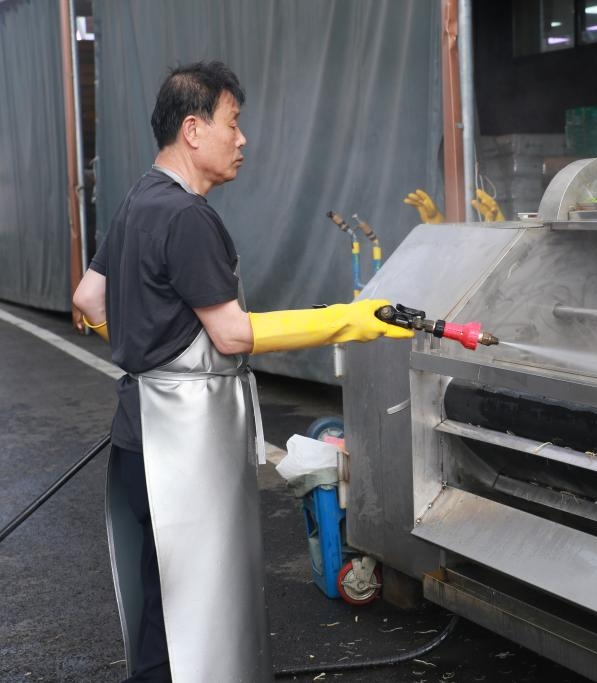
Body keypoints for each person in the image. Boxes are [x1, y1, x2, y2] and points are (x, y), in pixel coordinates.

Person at [72, 61, 411, 683]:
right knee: (204, 607)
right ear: (193, 129)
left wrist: (150, 353)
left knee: (160, 599)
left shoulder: (138, 198)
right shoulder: (187, 216)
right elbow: (231, 333)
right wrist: (350, 320)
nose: (242, 139)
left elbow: (88, 300)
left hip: (138, 429)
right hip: (186, 445)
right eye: (233, 123)